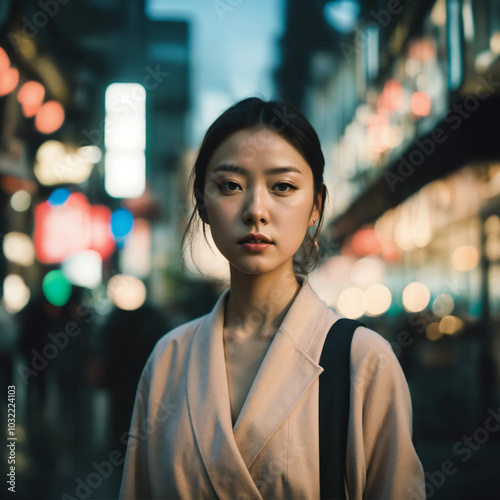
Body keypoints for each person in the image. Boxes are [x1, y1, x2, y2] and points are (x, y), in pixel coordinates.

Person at [119, 97, 425, 499]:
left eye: (283, 186)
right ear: (202, 203)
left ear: (316, 205)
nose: (256, 211)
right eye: (230, 185)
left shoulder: (364, 361)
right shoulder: (168, 360)